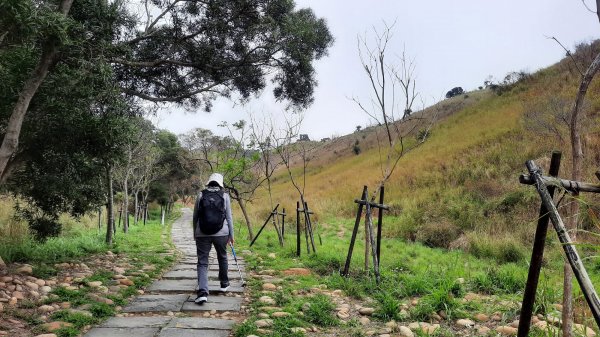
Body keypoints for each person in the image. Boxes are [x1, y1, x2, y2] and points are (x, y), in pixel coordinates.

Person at [192, 173, 234, 304]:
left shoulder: (201, 195)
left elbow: (195, 216)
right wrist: (231, 235)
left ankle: (203, 292)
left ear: (209, 183)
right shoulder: (225, 196)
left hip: (202, 233)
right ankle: (224, 284)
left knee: (202, 262)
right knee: (222, 256)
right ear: (220, 184)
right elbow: (229, 217)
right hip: (222, 233)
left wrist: (195, 232)